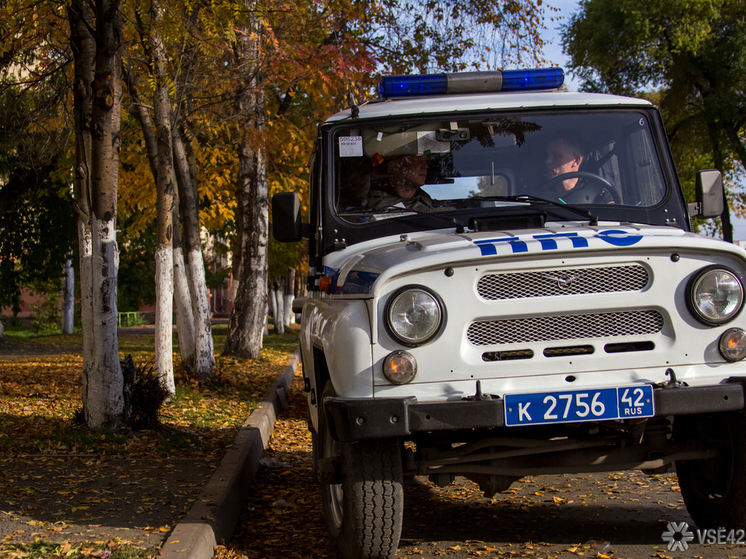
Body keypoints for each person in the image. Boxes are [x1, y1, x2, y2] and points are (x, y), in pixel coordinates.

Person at [543, 134, 615, 204]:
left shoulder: (599, 195)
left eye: (556, 156)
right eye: (547, 155)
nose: (548, 161)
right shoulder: (538, 195)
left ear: (576, 160)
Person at [367, 153, 435, 212]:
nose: (425, 166)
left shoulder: (429, 204)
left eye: (425, 161)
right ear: (395, 165)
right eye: (417, 160)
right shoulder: (372, 202)